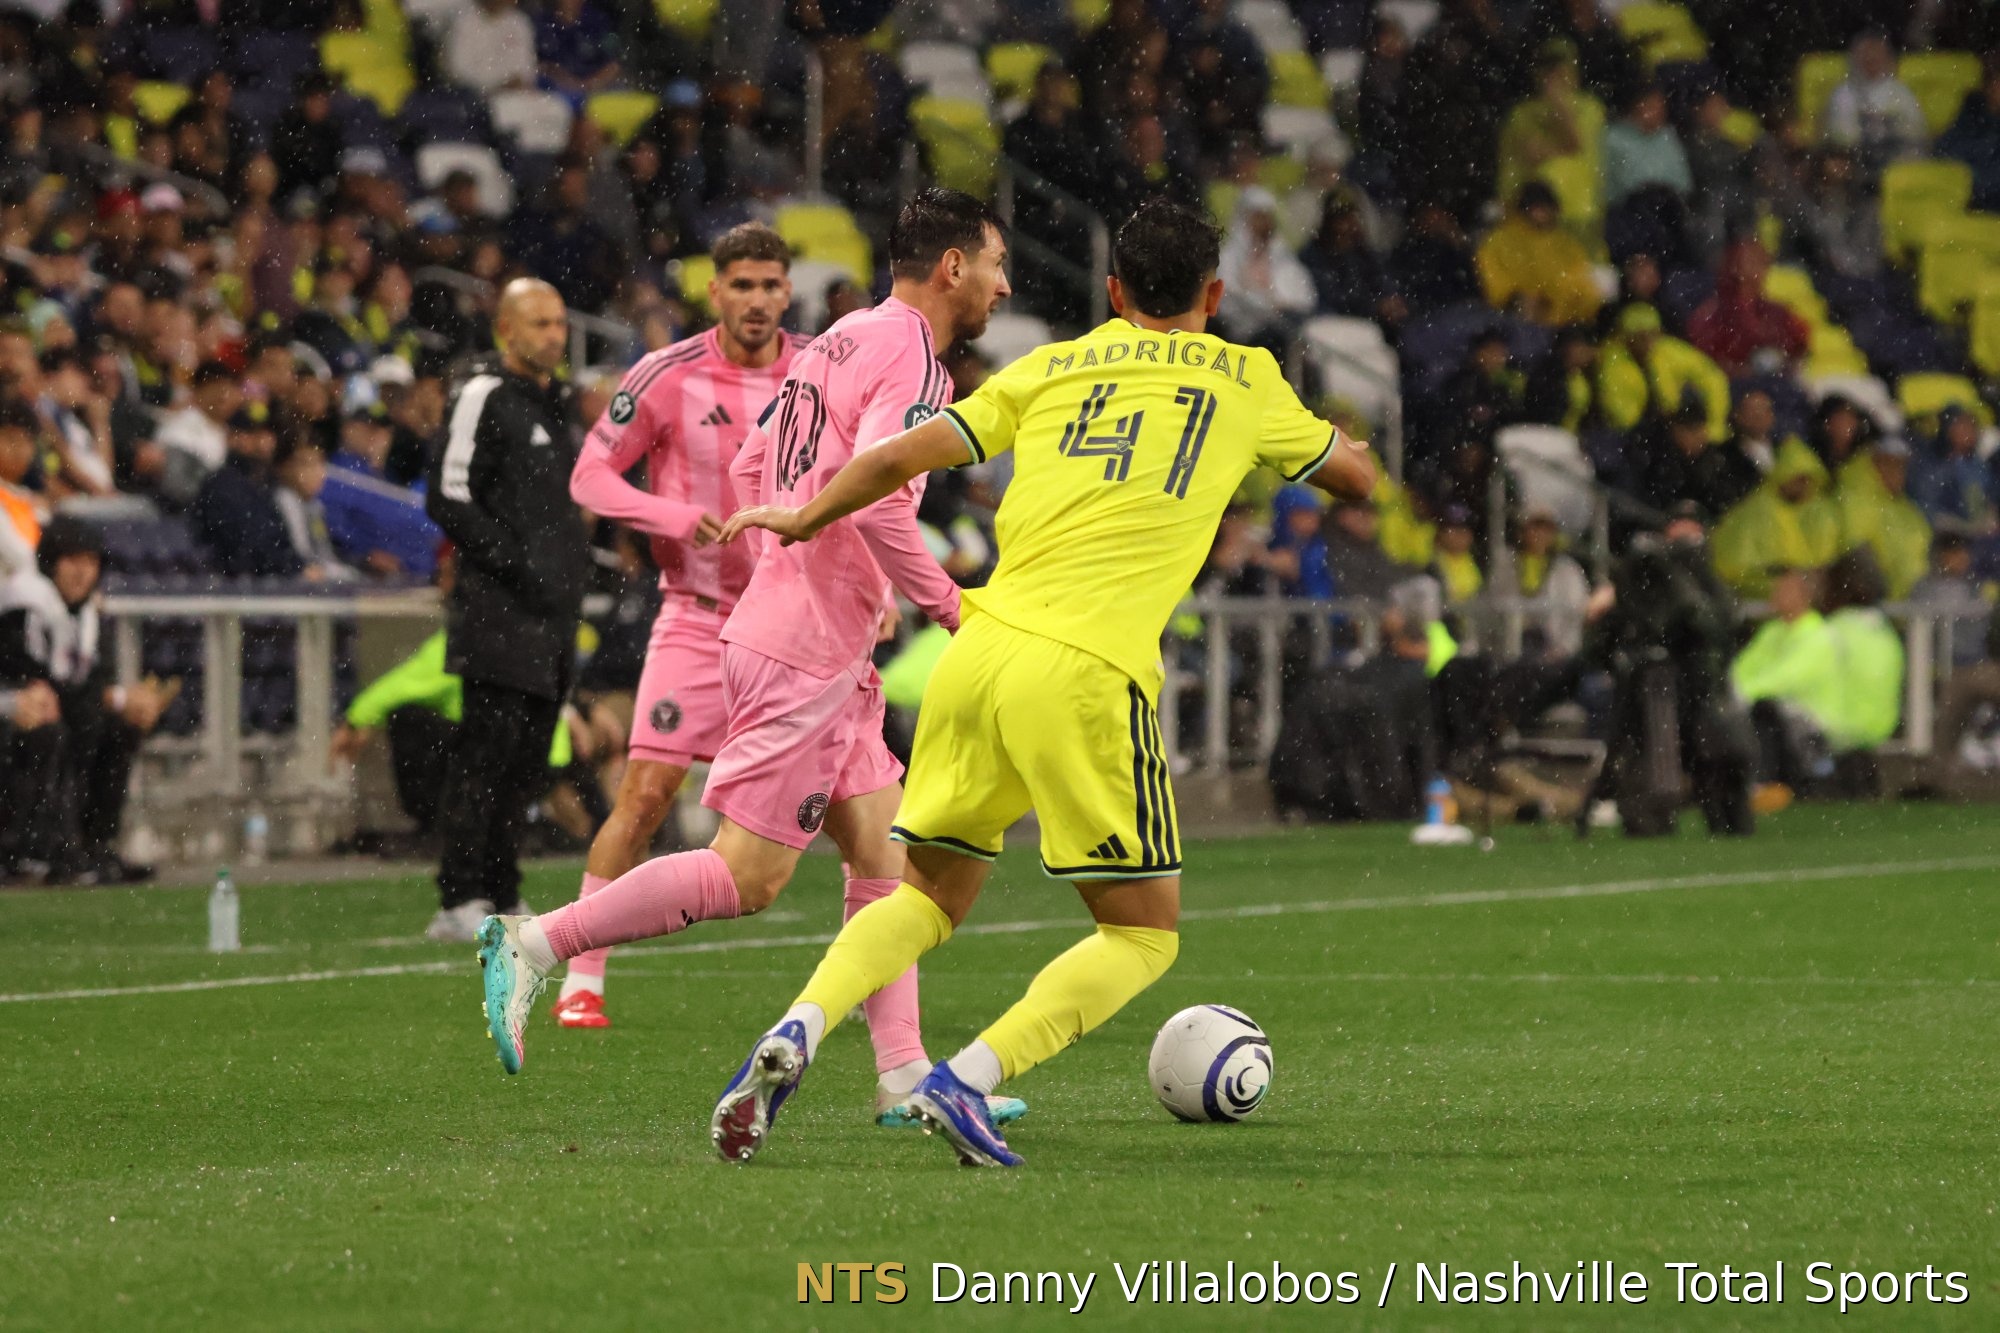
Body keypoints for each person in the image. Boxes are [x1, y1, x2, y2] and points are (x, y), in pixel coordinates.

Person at [705, 198, 1375, 1167]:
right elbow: (1352, 481)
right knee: (1143, 936)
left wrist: (804, 518)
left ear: (1111, 292)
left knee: (927, 896)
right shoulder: (1245, 376)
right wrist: (1341, 447)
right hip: (1085, 669)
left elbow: (891, 456)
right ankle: (965, 1077)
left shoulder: (1050, 365)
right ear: (1215, 293)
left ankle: (798, 1027)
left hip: (977, 652)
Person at [473, 190, 1023, 1135]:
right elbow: (887, 500)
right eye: (997, 264)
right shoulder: (909, 357)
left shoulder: (845, 337)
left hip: (818, 638)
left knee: (885, 857)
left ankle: (901, 1075)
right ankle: (535, 940)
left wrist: (802, 562)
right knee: (747, 878)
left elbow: (755, 463)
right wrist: (948, 605)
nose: (1007, 285)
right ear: (953, 268)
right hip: (801, 649)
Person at [546, 223, 805, 1029]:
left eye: (771, 285)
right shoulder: (667, 373)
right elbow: (590, 476)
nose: (758, 300)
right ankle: (580, 976)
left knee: (856, 817)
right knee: (646, 793)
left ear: (786, 292)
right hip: (696, 621)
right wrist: (671, 513)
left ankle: (881, 1009)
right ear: (715, 292)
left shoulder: (818, 372)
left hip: (794, 629)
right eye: (743, 285)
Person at [422, 279, 588, 942]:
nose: (554, 334)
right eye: (540, 323)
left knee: (524, 764)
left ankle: (502, 886)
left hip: (550, 617)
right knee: (484, 756)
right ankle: (458, 895)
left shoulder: (552, 407)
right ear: (506, 330)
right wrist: (516, 563)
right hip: (498, 611)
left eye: (558, 323)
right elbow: (447, 493)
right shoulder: (483, 395)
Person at [0, 517, 167, 884]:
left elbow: (86, 684)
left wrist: (124, 701)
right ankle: (27, 848)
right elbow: (27, 676)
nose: (82, 572)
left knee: (118, 729)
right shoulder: (24, 604)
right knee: (51, 730)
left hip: (55, 710)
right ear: (51, 563)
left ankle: (93, 843)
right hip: (11, 712)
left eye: (90, 562)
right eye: (72, 561)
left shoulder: (86, 614)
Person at [1711, 438, 1841, 598]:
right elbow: (1736, 568)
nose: (1804, 486)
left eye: (1808, 480)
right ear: (1784, 475)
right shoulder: (1756, 512)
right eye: (1799, 479)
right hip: (1763, 598)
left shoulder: (1811, 512)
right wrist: (1779, 575)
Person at [189, 402, 302, 578]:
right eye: (253, 434)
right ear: (232, 437)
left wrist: (298, 566)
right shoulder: (221, 484)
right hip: (236, 587)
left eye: (267, 433)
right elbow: (245, 547)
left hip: (270, 582)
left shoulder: (264, 484)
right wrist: (293, 569)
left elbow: (281, 539)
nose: (264, 442)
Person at [1476, 182, 1602, 328]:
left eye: (1544, 207)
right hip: (1510, 322)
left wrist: (1559, 305)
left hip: (1562, 326)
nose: (1540, 213)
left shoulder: (1567, 245)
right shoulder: (1499, 241)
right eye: (1534, 207)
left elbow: (1584, 288)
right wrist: (1516, 299)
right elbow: (1492, 282)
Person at [1835, 438, 1931, 600]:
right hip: (1875, 603)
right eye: (1889, 464)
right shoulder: (1856, 499)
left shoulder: (1906, 508)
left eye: (1901, 466)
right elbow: (1856, 552)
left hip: (1913, 603)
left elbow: (1925, 549)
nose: (1897, 473)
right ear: (1873, 464)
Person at [1824, 31, 1928, 179]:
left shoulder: (1901, 92)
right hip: (1856, 164)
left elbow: (1915, 132)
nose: (1871, 60)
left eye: (1876, 55)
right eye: (1865, 55)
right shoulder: (1843, 94)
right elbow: (1841, 138)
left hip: (1897, 162)